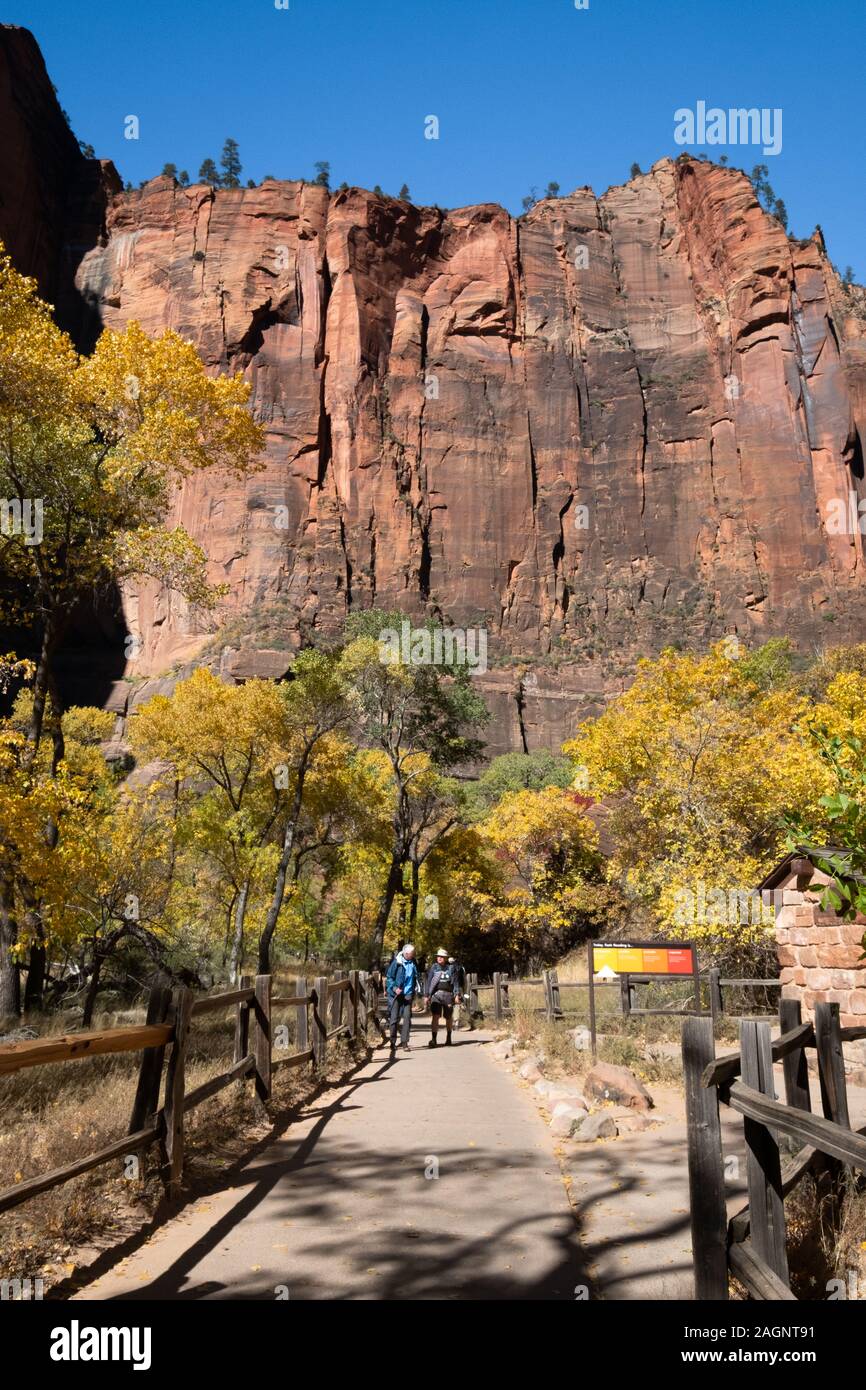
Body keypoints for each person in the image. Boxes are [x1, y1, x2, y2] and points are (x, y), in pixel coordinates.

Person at [385, 943, 420, 1056]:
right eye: (411, 954)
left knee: (407, 1018)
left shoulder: (414, 962)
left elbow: (415, 976)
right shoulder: (397, 962)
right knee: (394, 1019)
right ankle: (393, 1041)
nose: (412, 955)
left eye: (413, 954)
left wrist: (416, 987)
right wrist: (395, 988)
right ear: (405, 953)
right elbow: (389, 977)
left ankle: (405, 1042)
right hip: (396, 994)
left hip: (408, 994)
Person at [424, 948, 461, 1047]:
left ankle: (448, 1039)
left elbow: (456, 982)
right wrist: (426, 995)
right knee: (435, 1016)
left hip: (448, 995)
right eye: (438, 956)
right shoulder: (434, 968)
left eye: (441, 957)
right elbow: (429, 982)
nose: (439, 958)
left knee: (448, 1018)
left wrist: (457, 995)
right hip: (436, 995)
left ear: (445, 958)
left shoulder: (451, 968)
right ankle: (434, 1040)